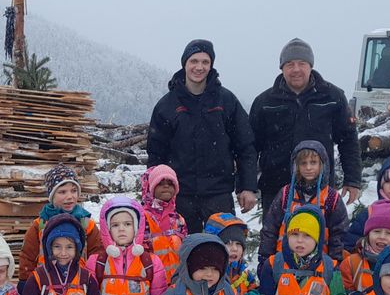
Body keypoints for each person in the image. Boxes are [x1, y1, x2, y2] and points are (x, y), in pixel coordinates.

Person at [146, 39, 258, 234]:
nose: (199, 67)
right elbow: (156, 153)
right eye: (194, 61)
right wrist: (153, 191)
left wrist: (247, 186)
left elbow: (245, 146)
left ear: (211, 65)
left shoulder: (226, 100)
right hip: (180, 195)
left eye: (205, 62)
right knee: (184, 254)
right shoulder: (167, 105)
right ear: (185, 64)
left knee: (224, 252)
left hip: (219, 194)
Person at [249, 38, 362, 210]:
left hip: (319, 189)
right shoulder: (264, 102)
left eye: (302, 63)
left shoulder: (332, 97)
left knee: (319, 235)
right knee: (275, 236)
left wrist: (352, 180)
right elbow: (250, 147)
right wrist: (247, 186)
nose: (296, 70)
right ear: (282, 68)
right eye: (289, 64)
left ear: (310, 66)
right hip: (276, 189)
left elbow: (348, 140)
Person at [257, 141, 349, 267]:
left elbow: (339, 233)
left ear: (322, 164)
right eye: (303, 163)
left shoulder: (331, 198)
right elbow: (270, 228)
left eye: (313, 163)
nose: (308, 168)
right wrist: (265, 257)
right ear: (296, 166)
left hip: (319, 262)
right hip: (283, 259)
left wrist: (335, 262)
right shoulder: (286, 193)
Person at [17, 164, 104, 283]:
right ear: (52, 196)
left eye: (73, 191)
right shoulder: (41, 224)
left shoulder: (86, 224)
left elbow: (97, 254)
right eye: (62, 192)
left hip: (79, 283)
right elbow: (28, 256)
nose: (70, 197)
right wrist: (25, 280)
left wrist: (94, 280)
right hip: (46, 283)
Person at [138, 164, 186, 284]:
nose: (166, 186)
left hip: (176, 282)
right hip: (149, 281)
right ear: (150, 188)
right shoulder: (142, 217)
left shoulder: (179, 220)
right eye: (160, 183)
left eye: (170, 183)